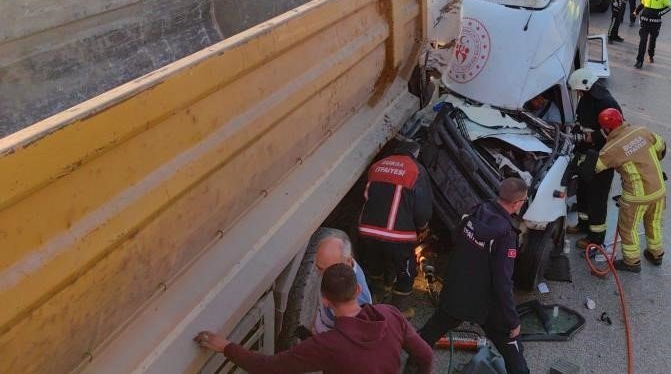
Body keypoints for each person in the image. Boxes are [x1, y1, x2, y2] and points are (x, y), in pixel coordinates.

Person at [195, 263, 434, 374]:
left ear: (325, 300)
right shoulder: (389, 314)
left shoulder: (327, 346)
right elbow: (425, 354)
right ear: (359, 291)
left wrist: (223, 345)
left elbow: (266, 367)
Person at [418, 178, 530, 374]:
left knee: (428, 334)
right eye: (524, 201)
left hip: (458, 292)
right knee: (514, 356)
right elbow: (503, 283)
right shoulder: (505, 236)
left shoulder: (476, 212)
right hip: (488, 304)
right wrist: (513, 321)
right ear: (517, 203)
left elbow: (456, 238)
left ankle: (413, 367)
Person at [582, 108, 667, 273]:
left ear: (606, 129)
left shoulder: (611, 149)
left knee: (628, 228)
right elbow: (661, 147)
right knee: (654, 222)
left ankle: (631, 261)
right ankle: (656, 254)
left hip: (636, 197)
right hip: (658, 189)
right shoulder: (642, 131)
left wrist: (583, 159)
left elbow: (593, 169)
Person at [358, 139, 433, 298]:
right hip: (398, 237)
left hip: (367, 231)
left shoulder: (377, 165)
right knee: (406, 274)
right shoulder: (416, 170)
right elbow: (422, 209)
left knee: (374, 265)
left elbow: (365, 195)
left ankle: (377, 295)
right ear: (416, 154)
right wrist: (422, 228)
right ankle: (400, 310)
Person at [567, 68, 621, 250]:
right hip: (585, 155)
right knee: (583, 192)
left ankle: (596, 237)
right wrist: (575, 132)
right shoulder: (586, 99)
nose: (578, 94)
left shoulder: (606, 102)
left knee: (597, 198)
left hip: (601, 158)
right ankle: (583, 224)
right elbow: (580, 120)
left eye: (579, 91)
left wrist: (592, 137)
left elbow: (615, 129)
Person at [311, 229, 373, 336]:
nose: (323, 276)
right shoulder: (344, 271)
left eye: (329, 269)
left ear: (348, 261)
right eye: (319, 268)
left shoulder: (360, 300)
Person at [632, 0, 671, 69]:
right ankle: (639, 61)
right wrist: (636, 11)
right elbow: (642, 4)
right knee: (643, 41)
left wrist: (659, 13)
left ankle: (651, 55)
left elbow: (669, 6)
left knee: (652, 40)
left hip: (655, 23)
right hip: (645, 21)